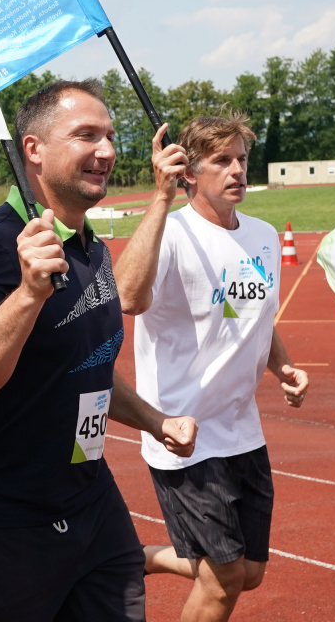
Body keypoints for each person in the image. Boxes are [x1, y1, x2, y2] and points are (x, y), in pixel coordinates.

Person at [0, 79, 199, 622]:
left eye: (109, 136)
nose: (106, 150)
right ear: (33, 149)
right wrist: (28, 293)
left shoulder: (90, 247)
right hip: (5, 518)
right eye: (86, 135)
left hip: (90, 501)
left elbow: (86, 363)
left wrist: (155, 421)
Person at [118, 112, 309, 622]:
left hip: (242, 430)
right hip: (184, 433)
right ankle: (135, 559)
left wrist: (284, 367)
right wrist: (159, 199)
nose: (237, 170)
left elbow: (255, 316)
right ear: (189, 172)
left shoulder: (264, 235)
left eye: (241, 159)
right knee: (223, 580)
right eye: (222, 160)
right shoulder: (169, 234)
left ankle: (134, 558)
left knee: (250, 572)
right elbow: (128, 298)